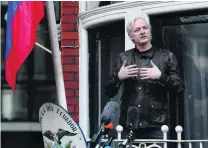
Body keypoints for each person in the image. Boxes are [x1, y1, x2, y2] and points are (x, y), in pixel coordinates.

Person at [104, 16, 185, 139]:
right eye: (137, 30)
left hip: (156, 127)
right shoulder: (123, 58)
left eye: (145, 28)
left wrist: (160, 76)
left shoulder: (167, 56)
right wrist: (118, 77)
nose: (142, 31)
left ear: (150, 31)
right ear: (131, 36)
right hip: (129, 125)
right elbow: (108, 91)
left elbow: (179, 89)